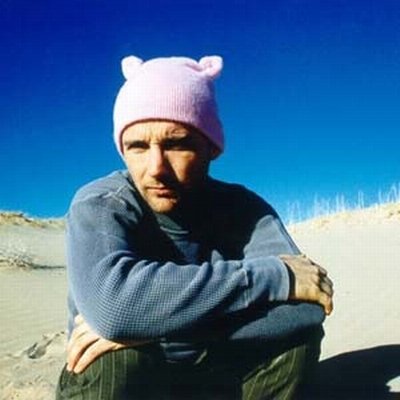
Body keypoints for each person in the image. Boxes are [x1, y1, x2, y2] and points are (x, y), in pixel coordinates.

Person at [56, 55, 333, 399]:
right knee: (115, 359)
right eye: (138, 147)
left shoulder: (244, 209)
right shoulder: (101, 203)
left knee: (295, 344)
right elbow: (113, 309)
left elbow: (306, 308)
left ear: (210, 148)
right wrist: (270, 280)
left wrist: (151, 326)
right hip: (133, 379)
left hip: (214, 373)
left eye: (176, 144)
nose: (156, 168)